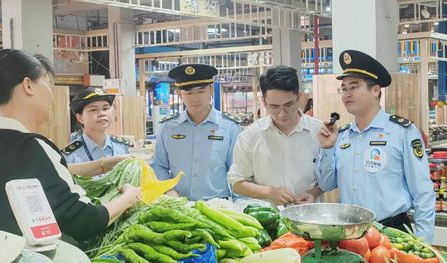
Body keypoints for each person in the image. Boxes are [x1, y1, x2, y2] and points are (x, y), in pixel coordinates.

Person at [0, 49, 140, 243]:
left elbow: (45, 174)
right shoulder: (31, 146)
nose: (51, 93)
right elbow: (85, 220)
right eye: (47, 82)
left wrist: (104, 164)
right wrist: (129, 197)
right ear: (28, 86)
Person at [316, 49, 435, 241]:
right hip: (350, 234)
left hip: (393, 233)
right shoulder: (343, 136)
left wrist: (423, 243)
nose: (347, 94)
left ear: (375, 90)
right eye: (343, 88)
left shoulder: (402, 132)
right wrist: (327, 149)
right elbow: (326, 184)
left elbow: (423, 192)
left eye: (353, 87)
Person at [228, 65, 323, 205]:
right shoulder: (250, 136)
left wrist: (314, 193)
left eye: (288, 105)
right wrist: (269, 192)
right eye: (274, 107)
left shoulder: (319, 132)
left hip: (310, 219)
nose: (282, 114)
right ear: (264, 102)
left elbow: (330, 177)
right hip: (269, 220)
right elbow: (236, 182)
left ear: (300, 97)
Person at [151, 64, 241, 200]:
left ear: (211, 90)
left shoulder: (229, 127)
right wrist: (168, 190)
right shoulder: (168, 127)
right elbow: (159, 165)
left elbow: (237, 171)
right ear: (179, 94)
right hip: (179, 206)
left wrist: (239, 204)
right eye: (189, 93)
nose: (195, 98)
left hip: (218, 207)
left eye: (201, 91)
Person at [62, 87, 130, 165]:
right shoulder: (70, 155)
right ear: (80, 118)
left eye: (105, 108)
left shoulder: (121, 147)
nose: (101, 113)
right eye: (93, 110)